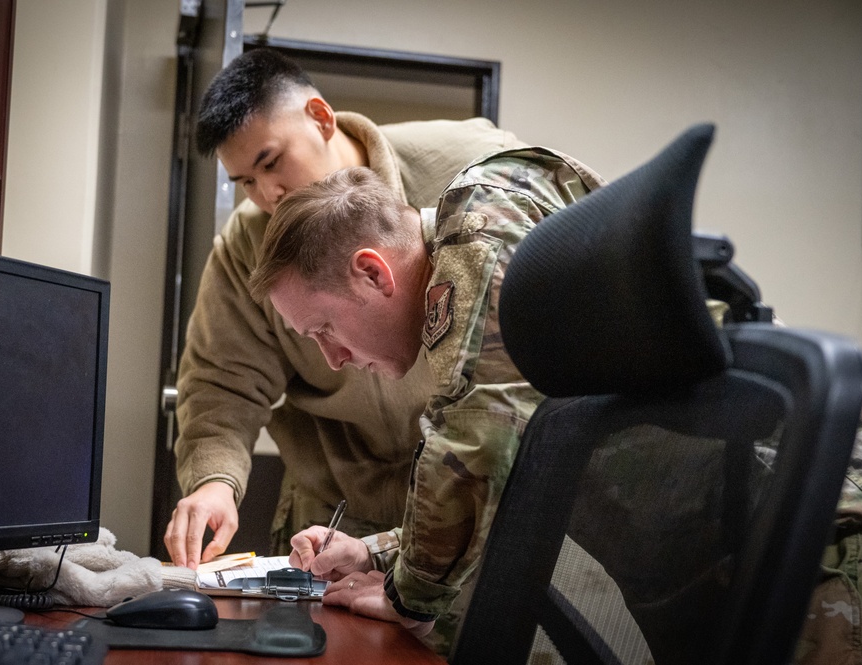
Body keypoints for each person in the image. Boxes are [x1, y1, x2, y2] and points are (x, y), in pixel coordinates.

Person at [164, 47, 529, 570]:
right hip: (335, 515)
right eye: (246, 181)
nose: (268, 193)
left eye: (271, 161)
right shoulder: (246, 246)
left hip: (473, 488)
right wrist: (215, 482)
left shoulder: (468, 163)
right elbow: (221, 383)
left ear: (320, 117)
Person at [248, 151, 604, 649]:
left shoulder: (479, 219)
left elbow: (480, 431)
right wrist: (373, 555)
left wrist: (408, 596)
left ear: (373, 272)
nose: (331, 359)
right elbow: (506, 471)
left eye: (324, 328)